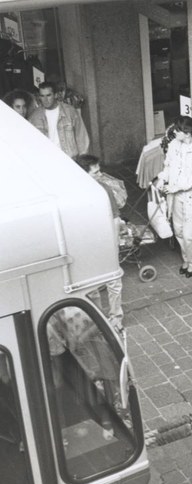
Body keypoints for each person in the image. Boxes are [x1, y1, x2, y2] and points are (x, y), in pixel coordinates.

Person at [156, 116, 192, 278]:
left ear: (187, 133)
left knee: (189, 235)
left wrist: (174, 187)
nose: (174, 132)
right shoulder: (174, 144)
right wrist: (162, 179)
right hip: (176, 197)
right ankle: (186, 259)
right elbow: (168, 165)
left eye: (177, 130)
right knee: (179, 231)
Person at [74, 154, 125, 330]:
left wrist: (114, 243)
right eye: (95, 172)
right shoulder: (73, 195)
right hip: (85, 244)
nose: (100, 174)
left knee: (114, 281)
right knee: (90, 283)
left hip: (105, 240)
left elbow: (116, 218)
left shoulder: (104, 189)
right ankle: (97, 318)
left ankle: (116, 317)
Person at [28, 81, 90, 157]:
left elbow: (82, 138)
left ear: (55, 95)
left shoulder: (70, 111)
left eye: (48, 95)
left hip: (70, 159)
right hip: (47, 158)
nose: (45, 99)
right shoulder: (34, 117)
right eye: (42, 96)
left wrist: (83, 159)